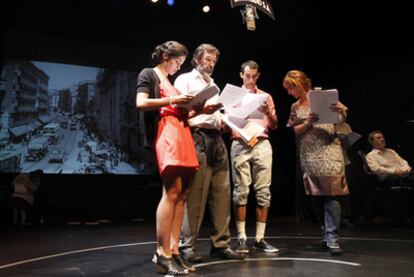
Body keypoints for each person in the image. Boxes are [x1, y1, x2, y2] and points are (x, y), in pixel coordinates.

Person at [174, 43, 243, 262]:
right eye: (207, 60)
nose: (211, 64)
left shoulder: (213, 83)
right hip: (197, 136)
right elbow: (180, 111)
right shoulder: (184, 80)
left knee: (222, 192)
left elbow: (218, 113)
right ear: (196, 60)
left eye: (214, 61)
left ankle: (221, 244)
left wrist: (225, 120)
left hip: (217, 139)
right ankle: (187, 246)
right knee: (196, 194)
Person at [136, 40, 199, 276]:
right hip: (167, 135)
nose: (178, 67)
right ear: (165, 57)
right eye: (177, 62)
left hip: (182, 133)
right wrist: (174, 100)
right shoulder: (149, 74)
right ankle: (162, 252)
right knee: (171, 192)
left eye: (181, 63)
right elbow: (141, 103)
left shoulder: (171, 83)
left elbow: (179, 108)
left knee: (182, 195)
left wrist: (198, 108)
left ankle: (173, 250)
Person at [283, 70, 349, 256]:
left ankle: (333, 237)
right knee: (316, 195)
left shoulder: (323, 97)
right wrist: (308, 123)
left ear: (297, 85)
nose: (289, 92)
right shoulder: (295, 106)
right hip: (310, 154)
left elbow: (342, 118)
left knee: (332, 194)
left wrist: (341, 112)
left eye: (290, 88)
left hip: (330, 149)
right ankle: (325, 231)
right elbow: (295, 130)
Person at [230, 60, 279, 254]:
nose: (250, 79)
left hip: (261, 144)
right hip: (240, 143)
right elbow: (226, 121)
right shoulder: (234, 95)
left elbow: (274, 124)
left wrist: (268, 113)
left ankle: (260, 238)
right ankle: (241, 238)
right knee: (241, 190)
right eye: (247, 76)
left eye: (254, 76)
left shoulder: (265, 96)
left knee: (263, 190)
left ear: (258, 76)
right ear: (241, 75)